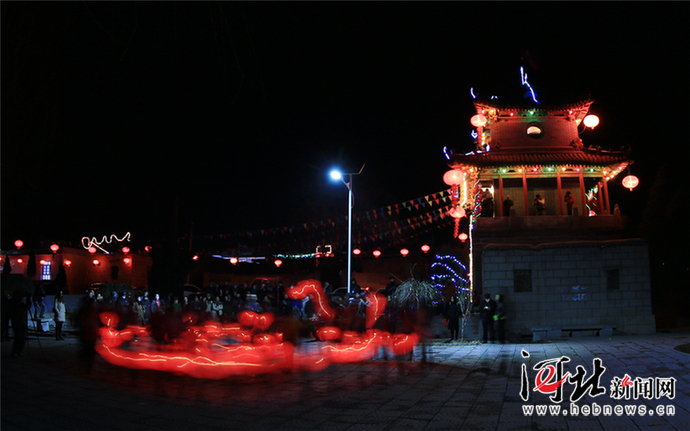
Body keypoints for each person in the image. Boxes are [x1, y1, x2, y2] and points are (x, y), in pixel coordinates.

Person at [9, 291, 32, 357]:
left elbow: (27, 307)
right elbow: (26, 307)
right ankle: (15, 352)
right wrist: (28, 299)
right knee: (18, 338)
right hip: (18, 323)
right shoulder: (16, 303)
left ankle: (18, 351)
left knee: (21, 338)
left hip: (21, 323)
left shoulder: (17, 303)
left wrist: (28, 300)